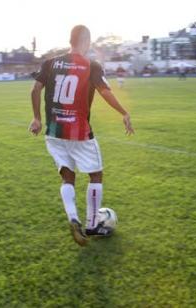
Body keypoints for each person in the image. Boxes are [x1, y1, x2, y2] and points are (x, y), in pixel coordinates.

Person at [29, 25, 134, 246]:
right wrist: (124, 112)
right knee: (95, 175)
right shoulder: (91, 66)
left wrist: (37, 118)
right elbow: (105, 92)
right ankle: (93, 224)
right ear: (85, 41)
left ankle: (73, 218)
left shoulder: (51, 63)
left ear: (70, 40)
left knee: (68, 177)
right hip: (80, 133)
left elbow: (35, 89)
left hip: (54, 131)